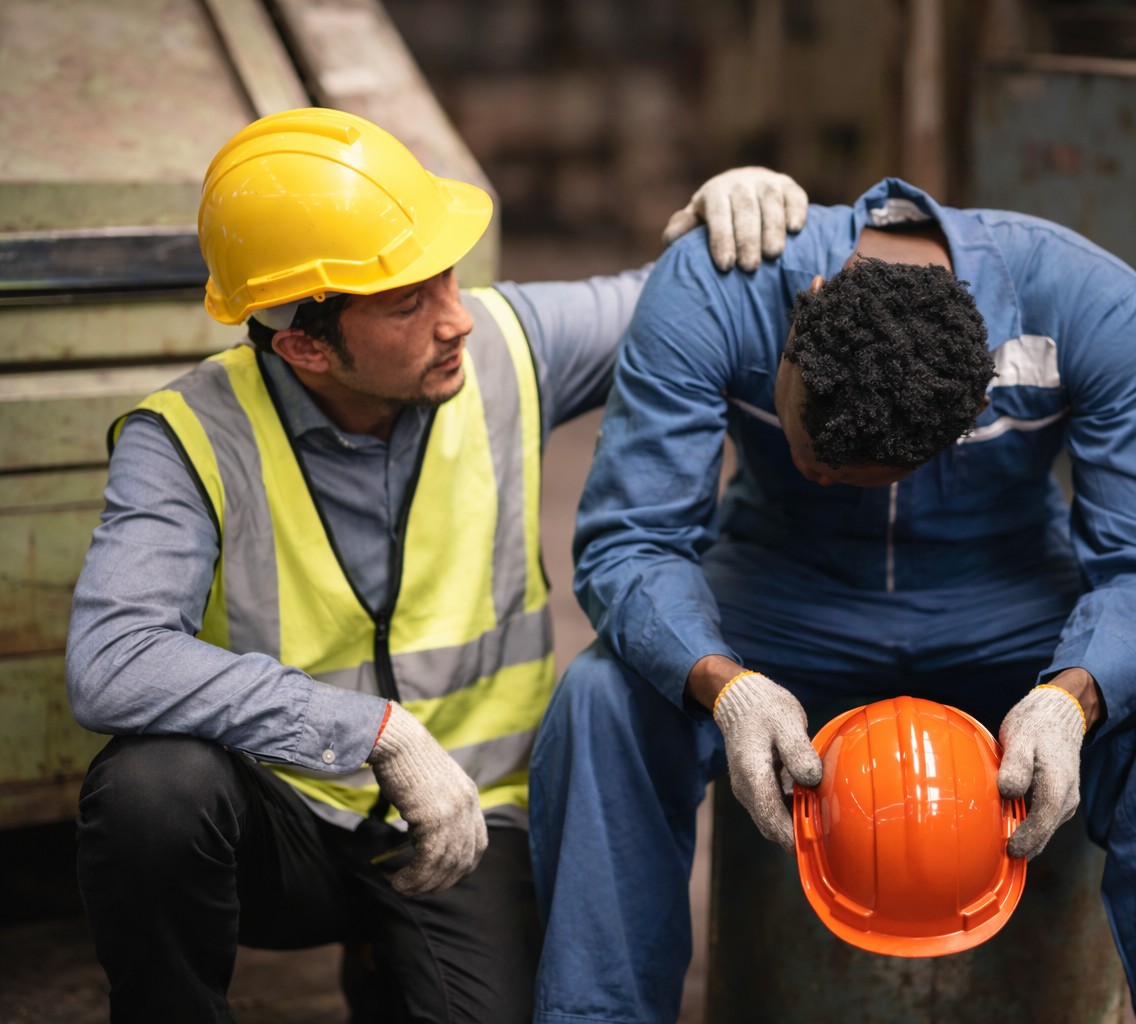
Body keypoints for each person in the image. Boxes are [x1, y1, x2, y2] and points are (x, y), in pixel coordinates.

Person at [65, 105, 806, 1024]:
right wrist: (372, 731)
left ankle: (389, 961)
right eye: (408, 301)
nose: (457, 318)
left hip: (470, 823)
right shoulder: (185, 438)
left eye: (446, 274)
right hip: (288, 817)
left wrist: (737, 217)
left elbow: (686, 301)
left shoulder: (508, 345)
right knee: (150, 794)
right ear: (303, 345)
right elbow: (113, 660)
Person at [531, 178, 1136, 1024]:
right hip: (779, 600)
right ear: (803, 315)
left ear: (973, 415)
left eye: (850, 474)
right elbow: (633, 539)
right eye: (807, 449)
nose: (817, 475)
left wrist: (1073, 698)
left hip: (1006, 608)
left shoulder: (1089, 300)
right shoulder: (720, 284)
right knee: (603, 697)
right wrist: (725, 686)